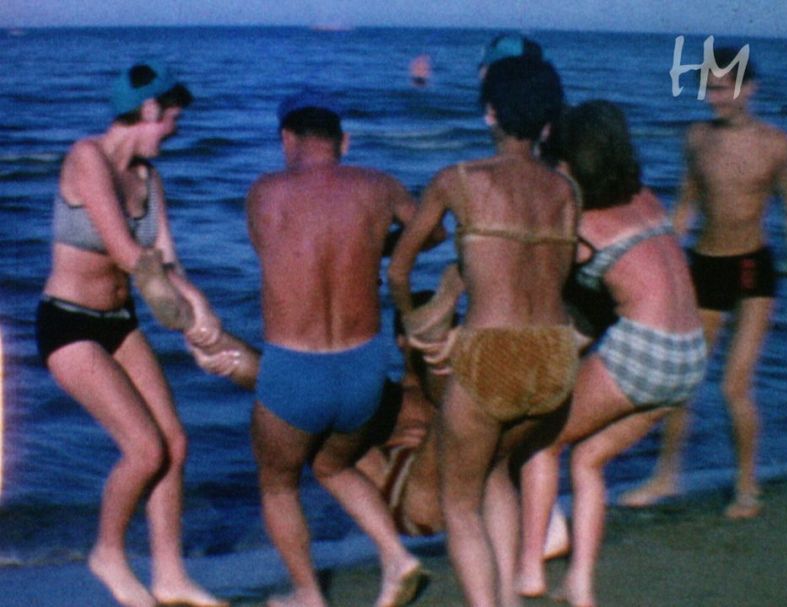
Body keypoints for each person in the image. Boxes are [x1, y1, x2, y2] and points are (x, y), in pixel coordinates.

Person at [35, 62, 226, 607]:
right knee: (144, 449)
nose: (176, 130)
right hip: (68, 323)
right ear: (148, 110)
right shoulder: (86, 157)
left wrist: (202, 311)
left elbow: (167, 260)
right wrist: (185, 318)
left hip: (119, 323)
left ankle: (169, 575)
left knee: (175, 444)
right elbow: (126, 252)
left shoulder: (149, 177)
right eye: (172, 119)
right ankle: (108, 554)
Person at [388, 56, 577, 607]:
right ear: (547, 121)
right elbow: (556, 274)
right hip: (555, 355)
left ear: (489, 112)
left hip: (493, 352)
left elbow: (399, 269)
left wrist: (419, 329)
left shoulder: (459, 180)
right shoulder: (566, 191)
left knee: (459, 503)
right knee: (497, 472)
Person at [189, 289, 571, 558]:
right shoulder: (387, 398)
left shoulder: (452, 394)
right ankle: (207, 336)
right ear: (402, 341)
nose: (443, 341)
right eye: (428, 334)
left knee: (492, 396)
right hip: (411, 500)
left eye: (450, 329)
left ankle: (534, 510)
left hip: (461, 486)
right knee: (306, 391)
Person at [246, 89, 442, 607]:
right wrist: (380, 245)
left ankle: (308, 595)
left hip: (295, 368)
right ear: (344, 142)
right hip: (363, 368)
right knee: (333, 465)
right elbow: (435, 234)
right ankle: (396, 558)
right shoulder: (380, 186)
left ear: (287, 139)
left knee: (278, 484)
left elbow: (275, 252)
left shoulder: (265, 192)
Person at [514, 100, 707, 607]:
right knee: (588, 459)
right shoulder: (646, 198)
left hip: (645, 351)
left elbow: (539, 282)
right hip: (691, 356)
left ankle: (530, 567)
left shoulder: (583, 225)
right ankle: (580, 585)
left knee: (540, 440)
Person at [619, 48, 787, 519]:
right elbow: (685, 206)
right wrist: (661, 264)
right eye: (708, 89)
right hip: (703, 265)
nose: (713, 99)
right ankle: (667, 476)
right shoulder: (697, 137)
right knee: (683, 380)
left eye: (722, 89)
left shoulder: (777, 144)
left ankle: (747, 486)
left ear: (749, 89)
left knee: (733, 387)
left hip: (751, 269)